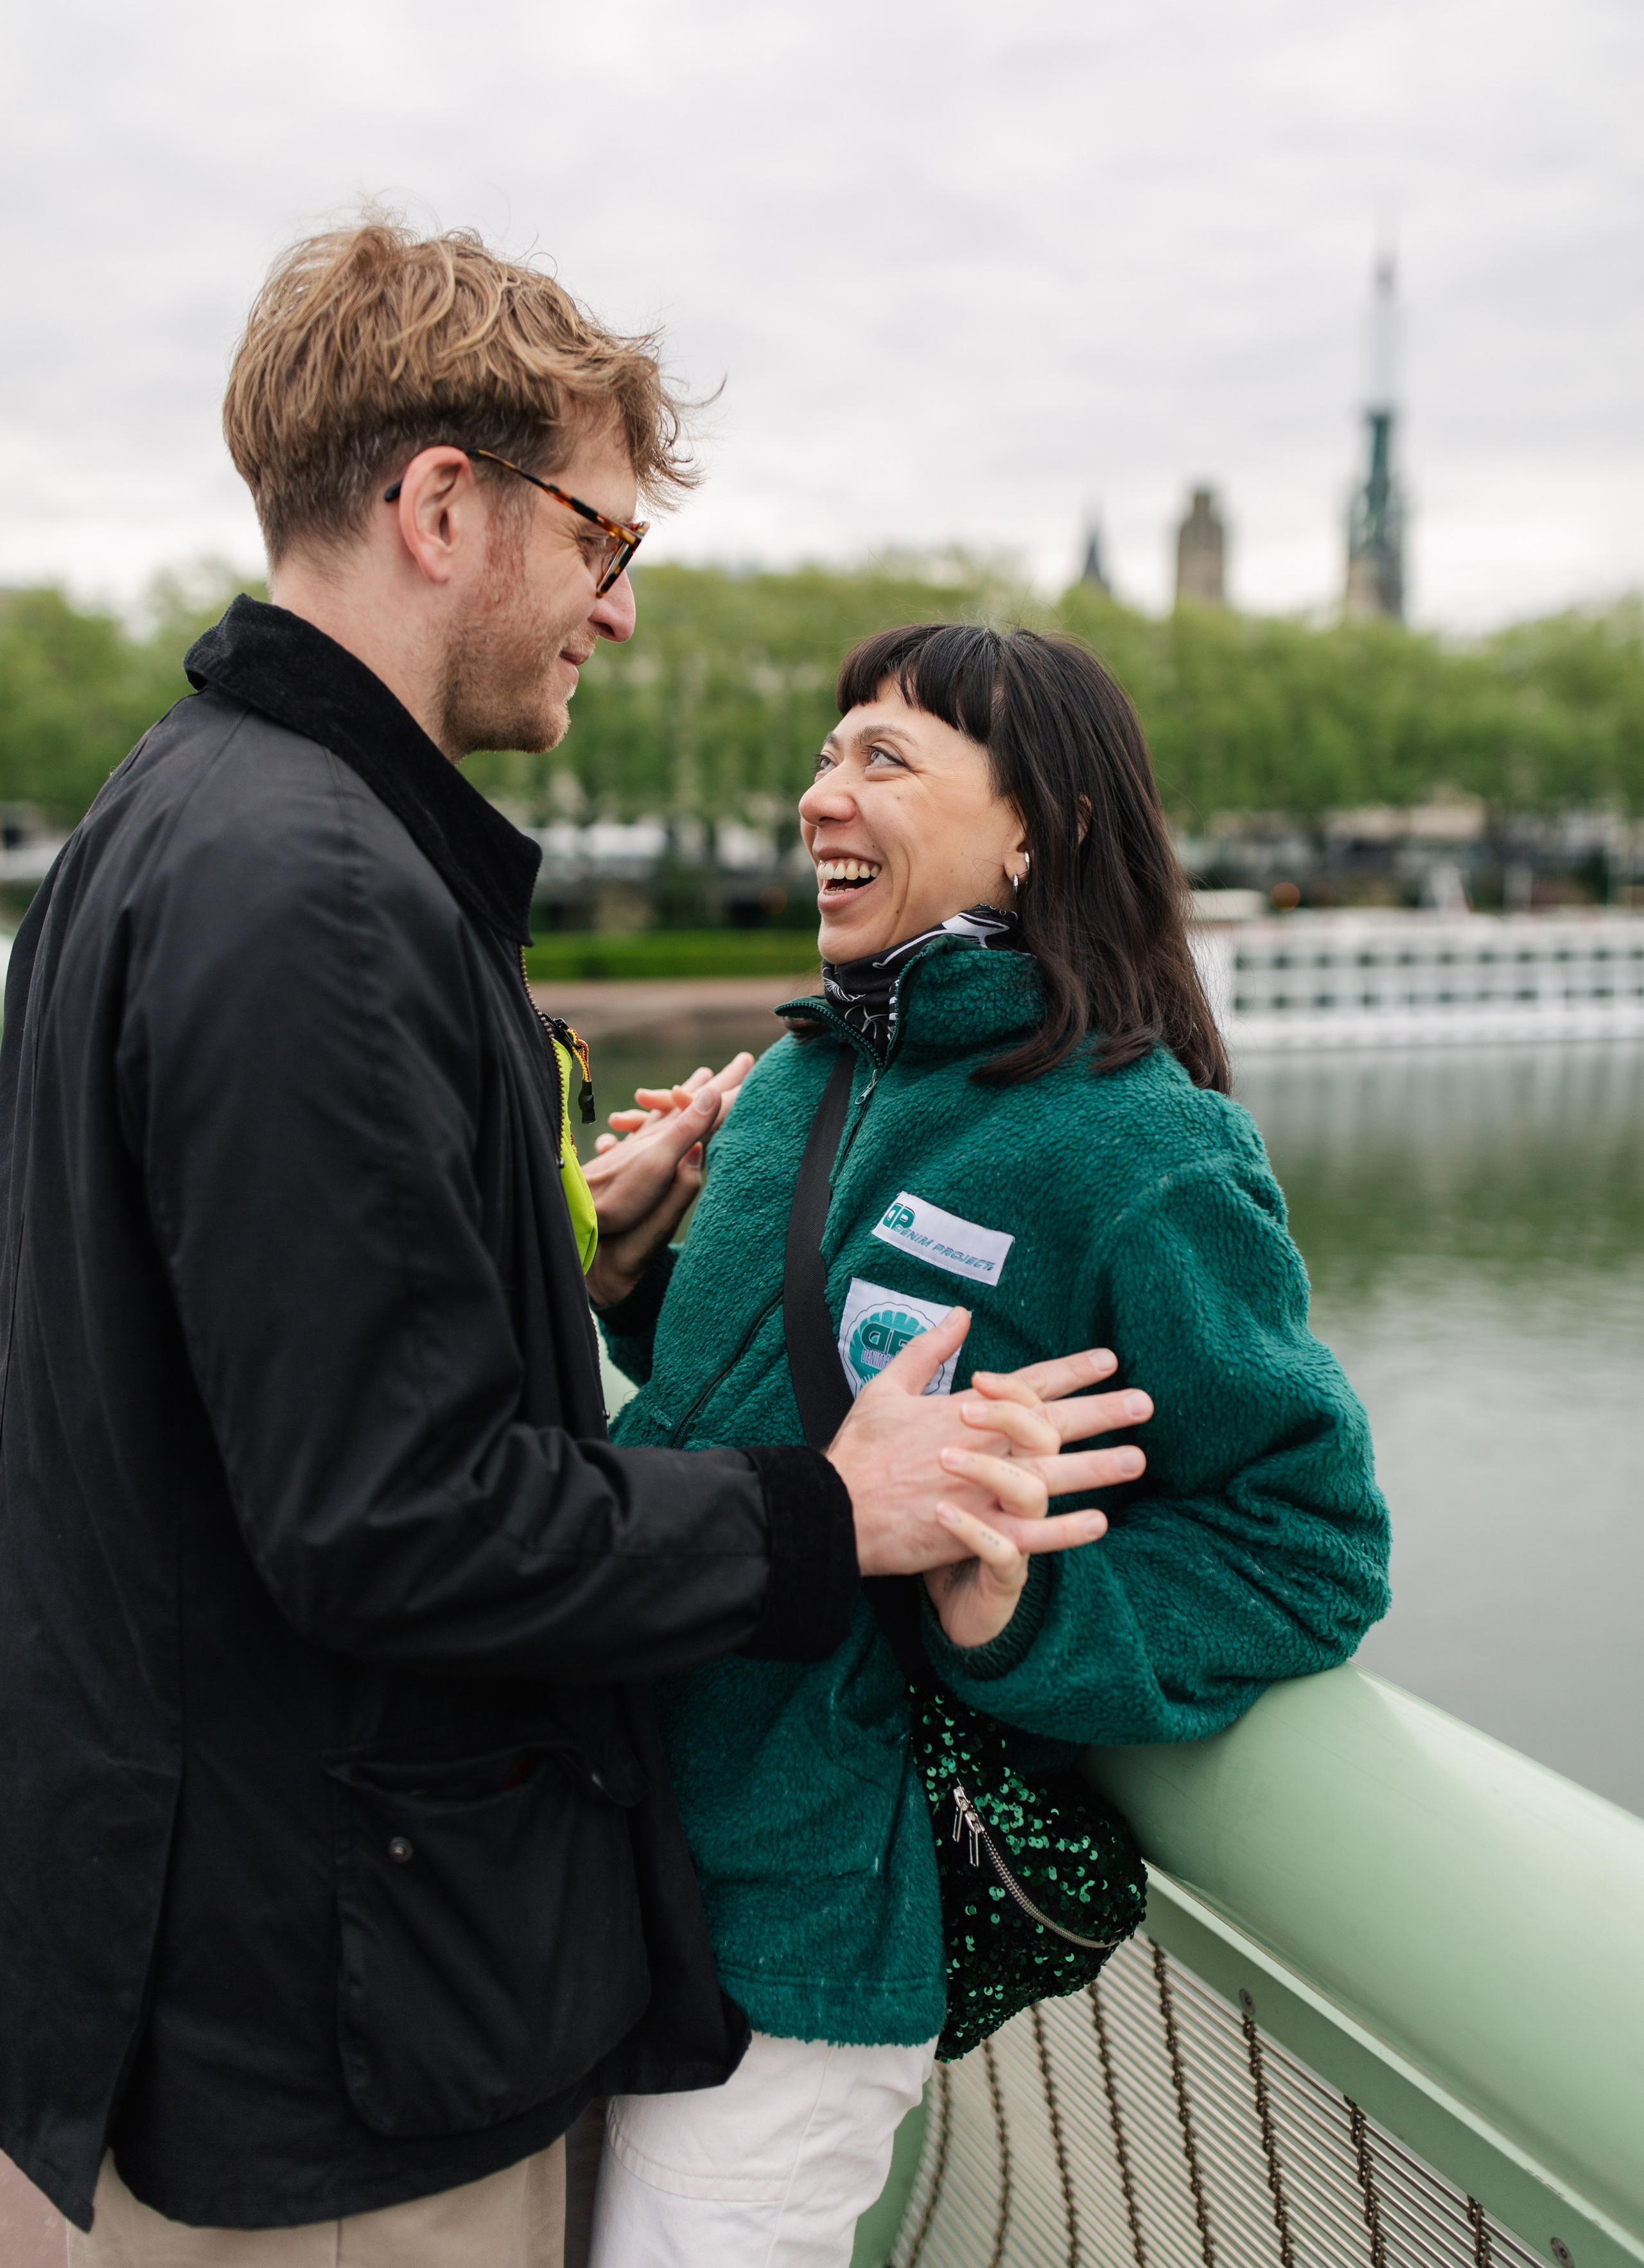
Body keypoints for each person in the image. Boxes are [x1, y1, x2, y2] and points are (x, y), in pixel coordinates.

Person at [0, 226, 1144, 2267]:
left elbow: (211, 1366)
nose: (617, 607)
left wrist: (540, 1238)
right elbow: (392, 1521)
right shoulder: (328, 902)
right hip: (343, 2028)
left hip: (194, 1960)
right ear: (444, 505)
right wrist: (830, 1509)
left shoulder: (158, 828)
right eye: (604, 537)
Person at [584, 620, 1392, 2267]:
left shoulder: (1140, 1149)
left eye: (884, 757)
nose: (822, 792)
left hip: (802, 1939)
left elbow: (1311, 1544)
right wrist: (627, 1282)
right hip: (609, 1850)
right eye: (827, 751)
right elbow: (758, 1415)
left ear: (1041, 829)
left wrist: (1010, 1610)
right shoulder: (805, 1074)